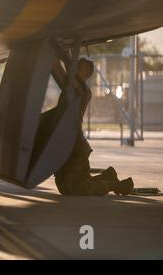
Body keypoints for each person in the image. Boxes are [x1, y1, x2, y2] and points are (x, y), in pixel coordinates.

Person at [53, 58, 134, 196]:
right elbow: (67, 67)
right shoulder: (74, 86)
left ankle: (117, 185)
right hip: (72, 145)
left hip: (75, 147)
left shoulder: (80, 90)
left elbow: (58, 67)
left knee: (75, 188)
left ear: (85, 73)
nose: (76, 67)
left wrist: (56, 54)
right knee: (70, 185)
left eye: (79, 67)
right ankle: (109, 176)